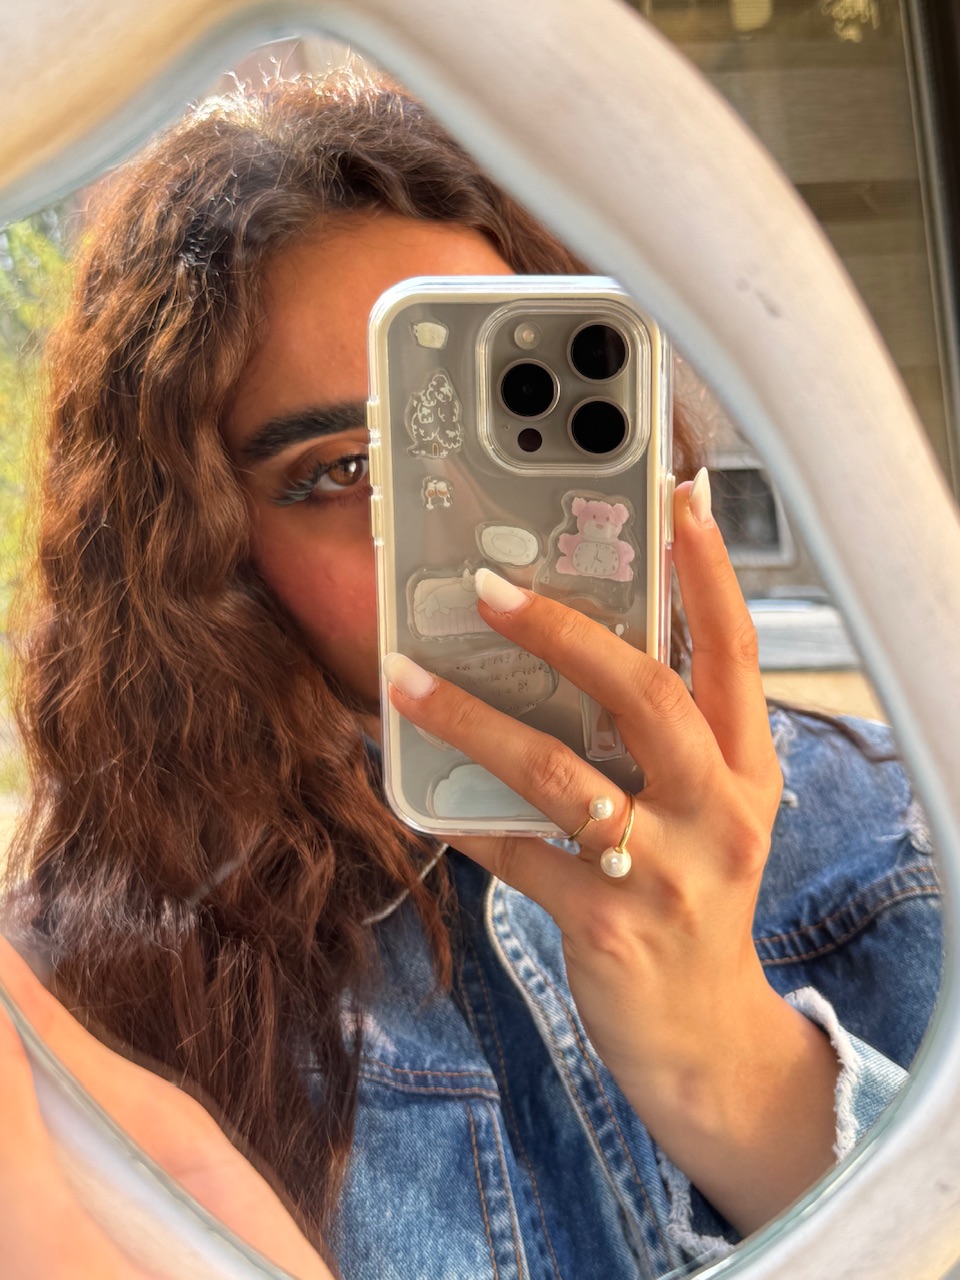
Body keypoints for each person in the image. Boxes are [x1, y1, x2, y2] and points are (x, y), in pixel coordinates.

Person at [0, 71, 941, 1279]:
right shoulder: (93, 994)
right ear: (210, 548)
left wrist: (735, 1065)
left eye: (512, 432)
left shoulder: (903, 836)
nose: (459, 544)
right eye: (343, 469)